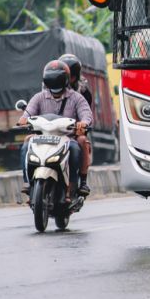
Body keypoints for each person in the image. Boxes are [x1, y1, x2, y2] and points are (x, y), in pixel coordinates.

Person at [18, 60, 92, 197]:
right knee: (27, 141)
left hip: (68, 138)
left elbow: (86, 114)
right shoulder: (39, 97)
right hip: (42, 137)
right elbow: (28, 113)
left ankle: (77, 183)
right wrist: (24, 119)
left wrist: (83, 123)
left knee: (78, 145)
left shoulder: (76, 98)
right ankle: (27, 181)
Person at [58, 53, 92, 195]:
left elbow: (86, 112)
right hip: (53, 129)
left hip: (73, 130)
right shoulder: (48, 87)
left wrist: (82, 124)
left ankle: (83, 181)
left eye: (70, 75)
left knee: (82, 141)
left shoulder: (82, 92)